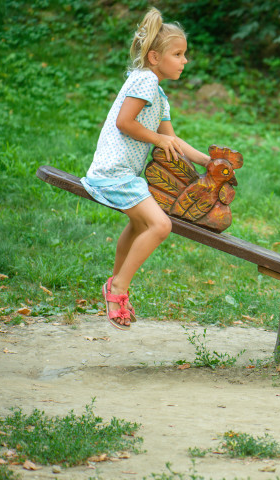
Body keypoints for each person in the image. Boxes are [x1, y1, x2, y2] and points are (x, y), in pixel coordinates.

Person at [81, 7, 211, 330]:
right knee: (160, 226)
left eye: (185, 54)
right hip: (114, 173)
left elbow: (172, 140)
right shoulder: (145, 81)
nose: (184, 61)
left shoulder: (159, 94)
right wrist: (156, 139)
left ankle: (115, 284)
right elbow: (125, 122)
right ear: (154, 57)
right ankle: (118, 288)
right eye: (178, 54)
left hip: (123, 174)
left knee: (141, 225)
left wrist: (208, 162)